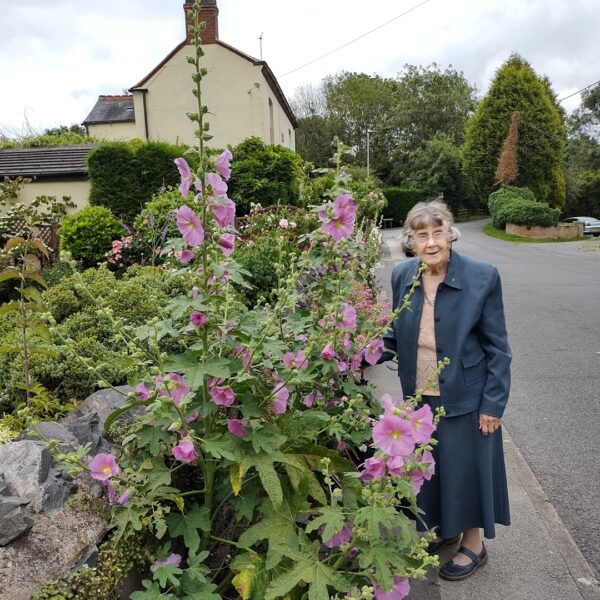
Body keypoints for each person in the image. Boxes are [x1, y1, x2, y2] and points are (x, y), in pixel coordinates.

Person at [381, 200, 511, 581]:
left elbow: (498, 348)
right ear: (411, 241)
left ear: (450, 235)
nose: (432, 242)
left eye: (438, 233)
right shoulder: (402, 275)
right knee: (434, 469)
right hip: (420, 393)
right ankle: (447, 529)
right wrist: (357, 352)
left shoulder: (482, 276)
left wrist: (493, 403)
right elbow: (393, 334)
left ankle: (474, 545)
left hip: (468, 394)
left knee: (468, 469)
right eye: (423, 235)